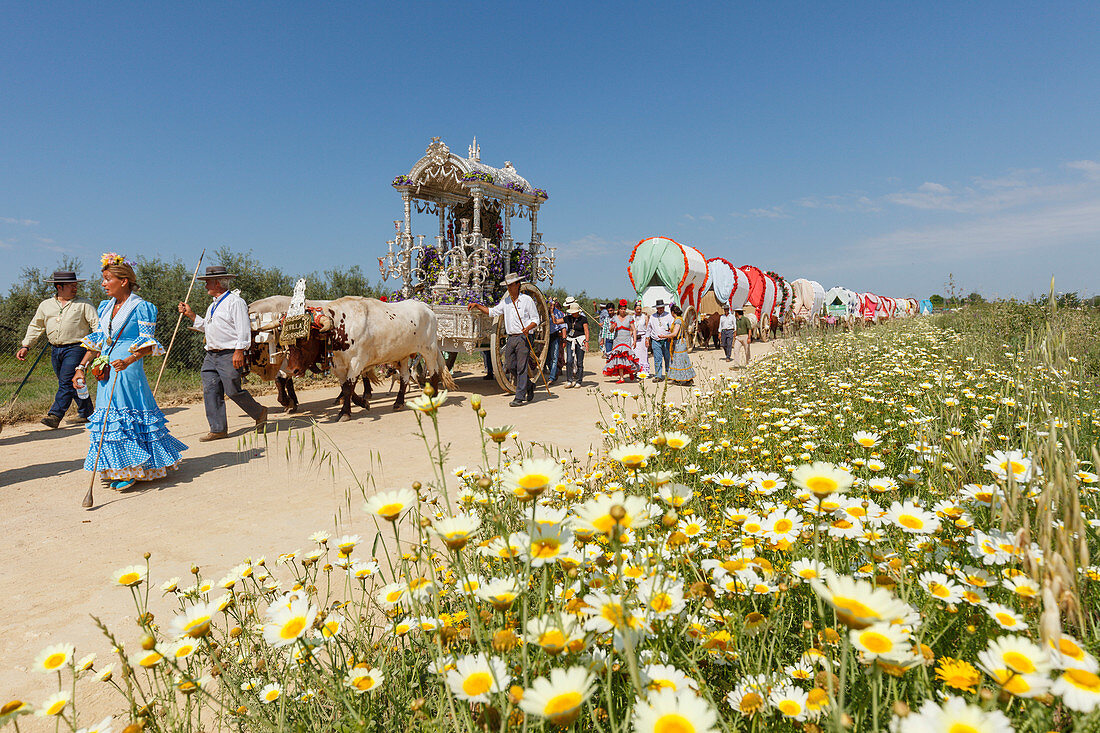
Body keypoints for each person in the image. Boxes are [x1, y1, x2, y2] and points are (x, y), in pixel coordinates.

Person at [75, 253, 187, 490]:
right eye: (103, 279)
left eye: (107, 279)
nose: (103, 284)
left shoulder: (142, 307)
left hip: (127, 367)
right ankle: (118, 467)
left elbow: (148, 344)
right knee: (108, 416)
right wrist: (81, 367)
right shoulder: (105, 307)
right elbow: (98, 342)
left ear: (123, 281)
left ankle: (134, 468)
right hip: (106, 367)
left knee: (125, 412)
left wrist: (129, 359)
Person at [178, 265, 268, 441]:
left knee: (233, 391)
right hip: (211, 355)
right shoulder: (213, 306)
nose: (205, 287)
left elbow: (243, 329)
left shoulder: (235, 302)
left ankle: (259, 411)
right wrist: (191, 315)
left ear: (217, 283)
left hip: (229, 354)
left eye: (208, 283)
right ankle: (218, 429)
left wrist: (239, 351)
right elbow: (208, 327)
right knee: (210, 390)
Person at [17, 270, 99, 428]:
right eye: (71, 285)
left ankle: (55, 415)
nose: (75, 288)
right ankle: (87, 413)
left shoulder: (84, 304)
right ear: (59, 287)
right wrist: (26, 345)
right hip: (55, 349)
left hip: (77, 348)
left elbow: (96, 325)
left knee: (66, 382)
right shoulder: (45, 305)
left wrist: (97, 346)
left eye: (76, 285)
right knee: (73, 383)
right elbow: (36, 326)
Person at [469, 273, 540, 406]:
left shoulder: (527, 300)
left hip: (523, 337)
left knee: (521, 367)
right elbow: (492, 312)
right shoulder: (506, 302)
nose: (509, 288)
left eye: (511, 285)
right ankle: (529, 385)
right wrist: (477, 305)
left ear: (517, 285)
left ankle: (519, 397)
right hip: (511, 338)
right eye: (507, 286)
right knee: (510, 365)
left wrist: (528, 327)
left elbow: (536, 319)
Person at [602, 299, 639, 383]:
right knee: (619, 357)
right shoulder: (615, 318)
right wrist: (611, 327)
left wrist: (635, 340)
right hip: (617, 340)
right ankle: (621, 378)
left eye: (624, 309)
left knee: (627, 356)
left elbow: (633, 330)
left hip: (626, 339)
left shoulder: (629, 318)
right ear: (618, 309)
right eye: (621, 309)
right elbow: (611, 330)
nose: (623, 311)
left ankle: (631, 371)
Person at [562, 301, 589, 388]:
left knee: (579, 362)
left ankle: (579, 381)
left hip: (580, 341)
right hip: (570, 340)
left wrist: (587, 342)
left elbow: (586, 331)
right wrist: (552, 312)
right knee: (569, 361)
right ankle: (569, 380)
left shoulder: (583, 319)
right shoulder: (568, 318)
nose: (572, 314)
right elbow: (556, 321)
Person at [667, 304, 696, 384]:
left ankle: (688, 379)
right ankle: (676, 378)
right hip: (678, 343)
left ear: (672, 312)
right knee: (676, 360)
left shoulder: (678, 321)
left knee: (681, 360)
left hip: (679, 343)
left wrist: (664, 336)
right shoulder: (680, 320)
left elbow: (675, 333)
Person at [647, 299, 674, 380]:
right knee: (657, 359)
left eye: (662, 307)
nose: (660, 309)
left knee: (667, 358)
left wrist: (670, 335)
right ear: (657, 308)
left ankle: (668, 375)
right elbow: (649, 328)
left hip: (666, 339)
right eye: (659, 308)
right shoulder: (652, 317)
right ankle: (658, 376)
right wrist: (647, 338)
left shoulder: (669, 316)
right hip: (656, 340)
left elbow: (672, 327)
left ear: (664, 307)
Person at [545, 298, 565, 383]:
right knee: (546, 358)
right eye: (550, 305)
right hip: (544, 337)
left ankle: (552, 377)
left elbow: (563, 327)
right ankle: (555, 371)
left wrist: (564, 339)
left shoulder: (559, 313)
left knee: (554, 356)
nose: (551, 306)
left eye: (552, 305)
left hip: (554, 336)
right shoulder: (543, 312)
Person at [632, 301, 650, 374]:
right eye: (637, 309)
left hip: (643, 337)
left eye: (640, 309)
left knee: (644, 354)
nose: (639, 311)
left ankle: (644, 371)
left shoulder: (645, 317)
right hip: (635, 338)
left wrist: (647, 339)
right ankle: (636, 370)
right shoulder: (632, 317)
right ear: (635, 310)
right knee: (635, 354)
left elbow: (648, 329)